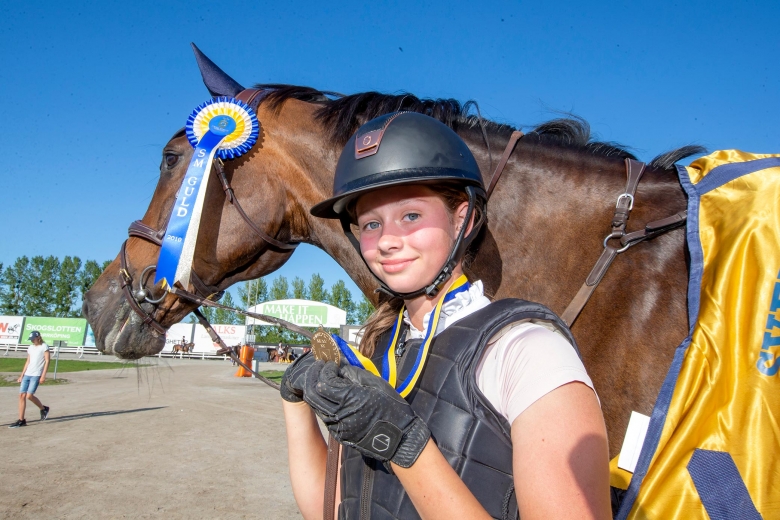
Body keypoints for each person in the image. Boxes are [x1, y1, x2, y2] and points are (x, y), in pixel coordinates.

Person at [281, 112, 610, 519]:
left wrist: (403, 446)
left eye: (411, 216)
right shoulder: (376, 350)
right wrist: (295, 406)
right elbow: (330, 510)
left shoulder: (527, 350)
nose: (385, 241)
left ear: (464, 219)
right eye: (370, 223)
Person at [9, 330, 51, 428]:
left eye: (33, 339)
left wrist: (43, 375)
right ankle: (21, 420)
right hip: (27, 374)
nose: (32, 341)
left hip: (36, 375)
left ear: (38, 338)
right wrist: (21, 375)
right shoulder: (31, 348)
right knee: (21, 396)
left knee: (29, 396)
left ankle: (43, 408)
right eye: (31, 339)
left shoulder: (44, 346)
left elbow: (47, 361)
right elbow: (28, 361)